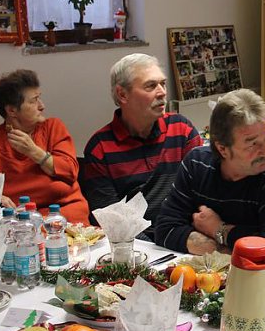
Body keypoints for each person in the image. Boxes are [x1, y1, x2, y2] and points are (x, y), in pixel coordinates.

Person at [153, 89, 265, 254]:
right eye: (252, 144)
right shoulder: (197, 164)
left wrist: (218, 229)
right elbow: (165, 230)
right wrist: (223, 248)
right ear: (222, 149)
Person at [0, 69, 89, 224]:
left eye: (40, 98)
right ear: (11, 110)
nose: (42, 106)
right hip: (17, 228)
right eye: (33, 101)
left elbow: (71, 171)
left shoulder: (53, 128)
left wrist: (34, 152)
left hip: (67, 222)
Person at [81, 54, 202, 234]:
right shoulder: (100, 149)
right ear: (122, 94)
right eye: (151, 86)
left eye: (163, 83)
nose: (162, 92)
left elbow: (203, 193)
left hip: (186, 235)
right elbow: (114, 223)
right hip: (138, 247)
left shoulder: (181, 129)